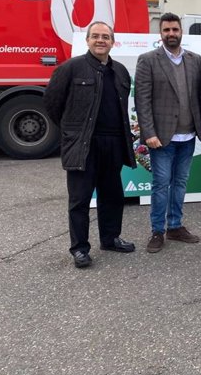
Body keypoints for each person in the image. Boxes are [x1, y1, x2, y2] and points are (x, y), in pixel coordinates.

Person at [44, 21, 136, 268]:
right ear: (87, 40)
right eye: (95, 36)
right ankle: (80, 249)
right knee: (80, 199)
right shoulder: (71, 68)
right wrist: (71, 131)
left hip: (113, 144)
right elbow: (52, 103)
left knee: (113, 196)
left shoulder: (120, 71)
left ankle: (110, 238)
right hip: (84, 144)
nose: (100, 40)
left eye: (105, 37)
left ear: (112, 41)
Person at [134, 12, 201, 253]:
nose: (171, 34)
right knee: (160, 184)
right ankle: (157, 230)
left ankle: (175, 226)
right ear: (160, 34)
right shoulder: (148, 60)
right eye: (166, 30)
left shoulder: (195, 59)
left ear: (181, 32)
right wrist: (149, 132)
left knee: (180, 183)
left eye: (175, 30)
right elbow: (142, 99)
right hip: (162, 138)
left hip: (188, 136)